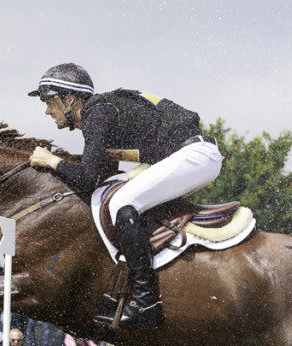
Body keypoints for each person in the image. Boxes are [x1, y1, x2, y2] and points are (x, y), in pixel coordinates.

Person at [27, 63, 223, 329]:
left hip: (195, 156)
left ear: (69, 99)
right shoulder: (102, 111)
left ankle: (146, 300)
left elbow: (87, 179)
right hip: (191, 156)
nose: (47, 111)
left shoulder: (96, 113)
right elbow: (96, 174)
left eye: (50, 102)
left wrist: (52, 161)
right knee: (115, 193)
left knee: (122, 202)